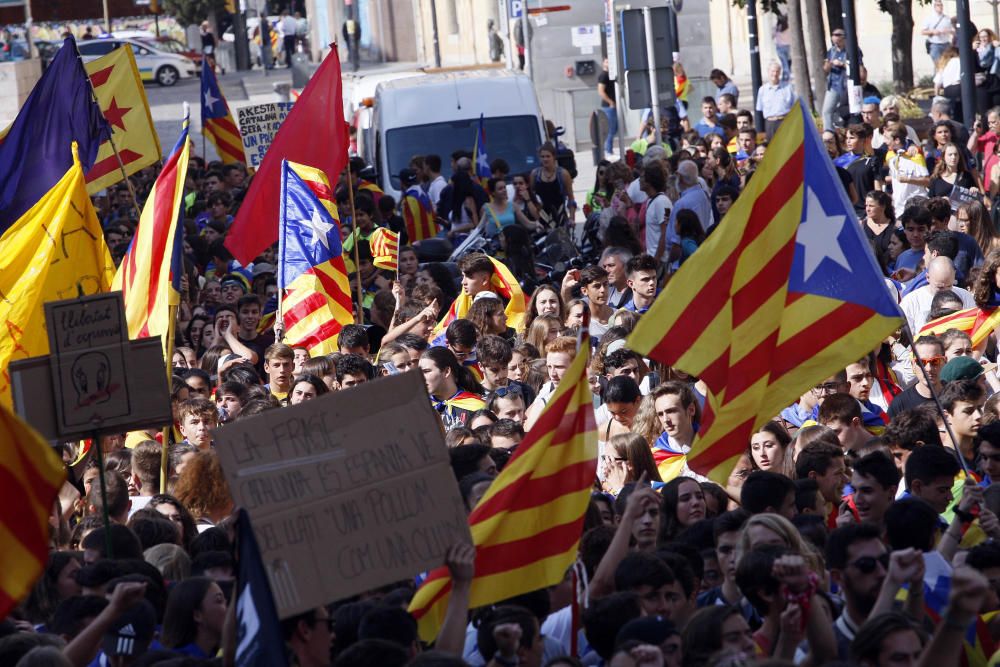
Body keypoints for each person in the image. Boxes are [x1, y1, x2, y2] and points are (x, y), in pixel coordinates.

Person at [756, 61, 796, 140]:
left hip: (784, 121)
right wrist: (760, 130)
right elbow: (759, 110)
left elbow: (794, 107)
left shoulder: (788, 88)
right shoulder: (762, 90)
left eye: (777, 71)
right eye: (772, 71)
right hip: (770, 124)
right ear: (768, 72)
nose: (775, 74)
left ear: (780, 72)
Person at [822, 28, 851, 130]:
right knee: (827, 111)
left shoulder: (850, 50)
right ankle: (829, 134)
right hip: (833, 85)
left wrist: (842, 64)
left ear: (843, 37)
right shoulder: (832, 51)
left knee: (844, 111)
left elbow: (857, 67)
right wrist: (828, 64)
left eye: (838, 35)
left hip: (846, 85)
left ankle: (845, 130)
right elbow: (825, 69)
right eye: (833, 35)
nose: (835, 37)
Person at [922, 0, 954, 66]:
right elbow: (923, 31)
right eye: (938, 5)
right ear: (934, 7)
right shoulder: (930, 18)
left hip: (946, 43)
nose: (940, 7)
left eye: (941, 5)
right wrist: (933, 32)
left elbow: (953, 31)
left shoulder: (947, 18)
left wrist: (948, 31)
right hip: (935, 45)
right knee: (938, 64)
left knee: (948, 64)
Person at [598, 59, 618, 157]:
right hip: (608, 107)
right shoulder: (604, 75)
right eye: (606, 62)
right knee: (610, 129)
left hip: (612, 106)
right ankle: (608, 151)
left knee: (613, 129)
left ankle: (609, 150)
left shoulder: (611, 75)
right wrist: (611, 102)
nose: (608, 64)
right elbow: (601, 91)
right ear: (603, 63)